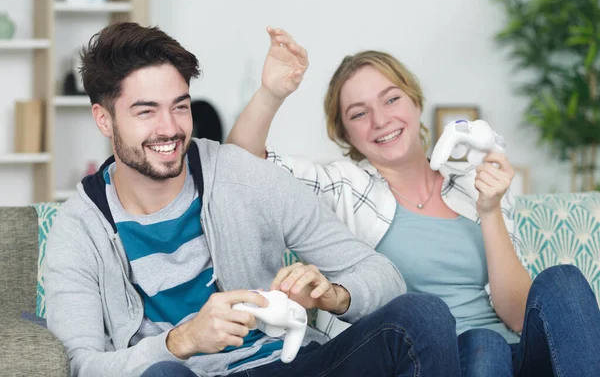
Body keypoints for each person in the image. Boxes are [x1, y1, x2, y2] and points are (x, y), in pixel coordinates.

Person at [43, 22, 464, 377]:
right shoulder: (80, 227)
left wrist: (332, 294)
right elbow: (81, 365)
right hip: (181, 373)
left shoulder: (239, 174)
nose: (169, 129)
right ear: (104, 118)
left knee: (423, 314)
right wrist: (183, 340)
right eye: (145, 111)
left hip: (290, 363)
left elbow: (381, 274)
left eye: (180, 107)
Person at [227, 26, 600, 376]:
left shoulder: (477, 185)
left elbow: (518, 315)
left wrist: (489, 211)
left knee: (562, 280)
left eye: (391, 99)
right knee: (482, 345)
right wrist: (271, 92)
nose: (380, 119)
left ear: (415, 101)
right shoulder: (340, 186)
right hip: (432, 361)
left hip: (516, 356)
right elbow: (242, 166)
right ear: (344, 134)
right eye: (359, 113)